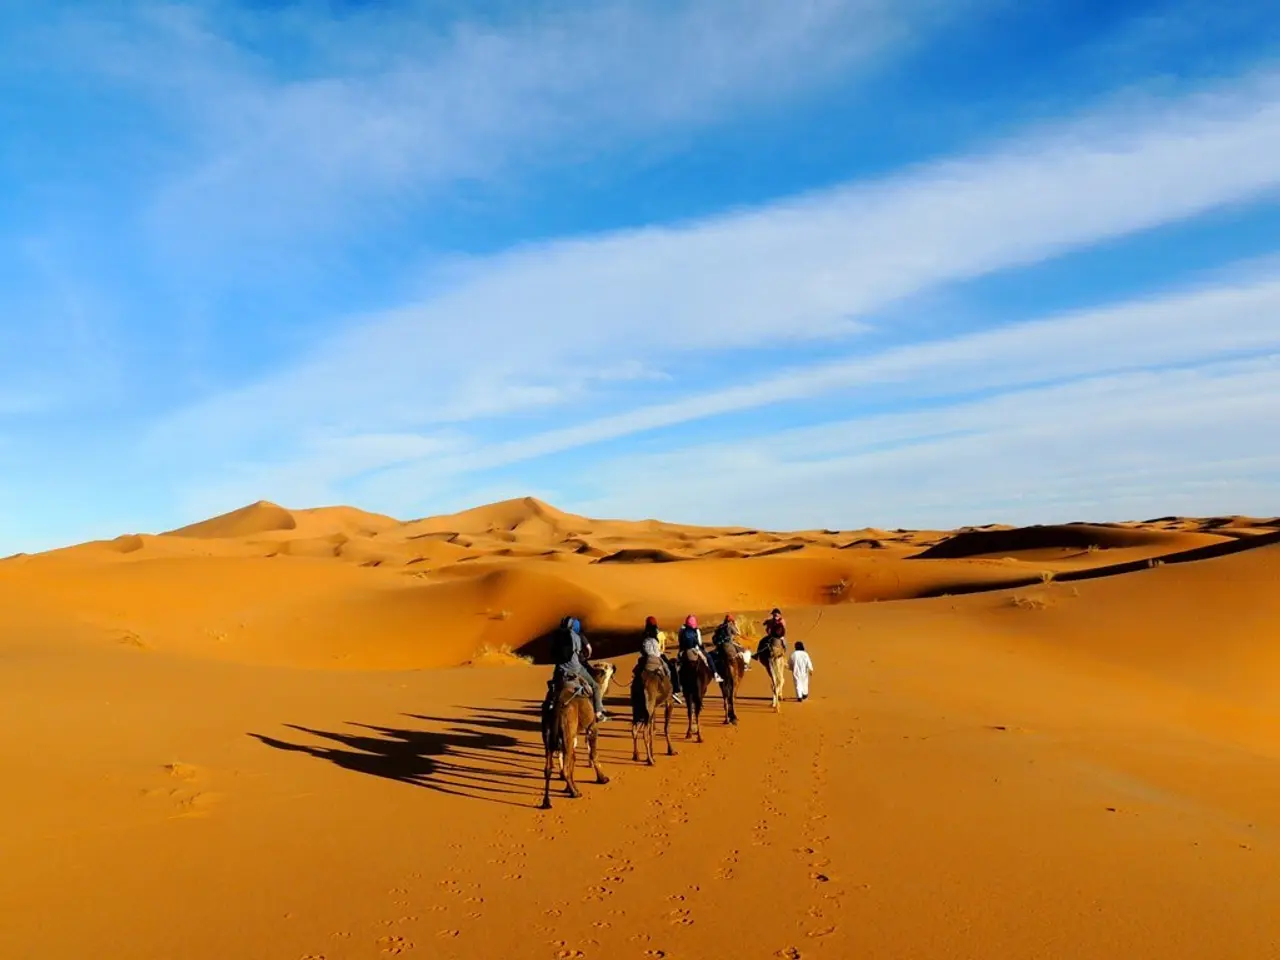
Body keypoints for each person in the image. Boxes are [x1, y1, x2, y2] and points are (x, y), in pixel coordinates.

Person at [551, 615, 609, 722]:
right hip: (575, 669)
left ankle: (550, 703)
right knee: (595, 687)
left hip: (560, 669)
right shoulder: (576, 637)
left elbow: (552, 653)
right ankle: (598, 713)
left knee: (553, 685)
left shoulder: (556, 636)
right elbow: (583, 652)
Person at [637, 616, 684, 705]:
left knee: (637, 672)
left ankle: (636, 691)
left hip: (645, 657)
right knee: (670, 668)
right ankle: (675, 690)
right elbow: (662, 647)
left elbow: (640, 648)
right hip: (659, 655)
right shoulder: (660, 633)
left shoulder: (643, 634)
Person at [677, 615, 717, 682]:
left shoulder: (682, 630)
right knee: (708, 658)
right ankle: (715, 674)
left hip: (683, 650)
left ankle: (677, 682)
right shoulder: (696, 630)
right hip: (695, 649)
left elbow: (679, 640)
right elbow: (699, 642)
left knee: (678, 664)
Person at [711, 613, 743, 678]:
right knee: (743, 650)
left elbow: (714, 636)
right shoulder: (730, 625)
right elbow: (738, 633)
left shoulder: (720, 626)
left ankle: (714, 672)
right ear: (731, 620)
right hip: (729, 643)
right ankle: (745, 665)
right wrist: (735, 625)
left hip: (719, 645)